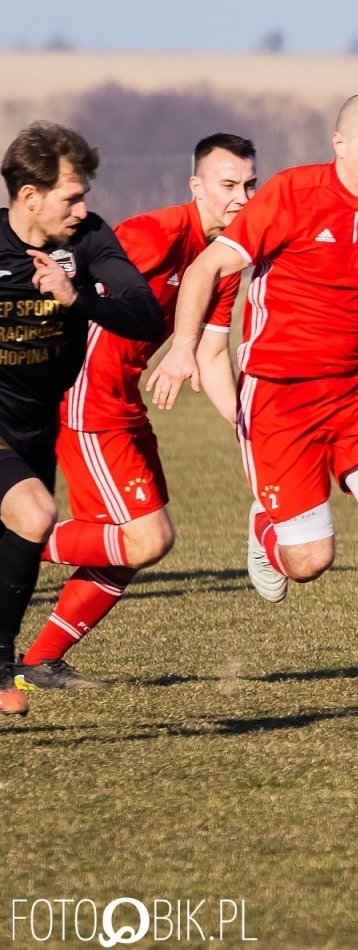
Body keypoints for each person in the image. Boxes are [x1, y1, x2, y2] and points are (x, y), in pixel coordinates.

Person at [150, 95, 358, 707]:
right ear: (340, 145)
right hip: (281, 399)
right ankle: (268, 529)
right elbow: (205, 271)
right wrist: (181, 348)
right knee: (309, 561)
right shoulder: (291, 194)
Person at [14, 134, 253, 691]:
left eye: (249, 185)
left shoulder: (226, 262)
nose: (241, 198)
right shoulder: (155, 234)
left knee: (122, 547)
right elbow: (64, 285)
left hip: (124, 404)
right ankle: (13, 531)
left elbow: (212, 352)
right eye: (227, 186)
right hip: (86, 398)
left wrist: (249, 426)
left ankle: (39, 662)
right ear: (196, 186)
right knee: (147, 538)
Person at [0, 121, 164, 714]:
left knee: (29, 527)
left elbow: (147, 315)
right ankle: (1, 671)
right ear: (30, 197)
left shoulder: (89, 239)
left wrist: (79, 299)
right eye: (71, 196)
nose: (82, 207)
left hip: (38, 424)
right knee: (36, 512)